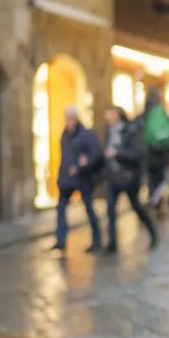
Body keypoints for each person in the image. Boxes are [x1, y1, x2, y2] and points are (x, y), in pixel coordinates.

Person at [103, 106, 157, 253]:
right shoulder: (109, 132)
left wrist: (117, 153)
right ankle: (112, 243)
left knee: (136, 206)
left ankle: (152, 232)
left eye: (111, 114)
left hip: (129, 177)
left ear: (118, 115)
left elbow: (137, 153)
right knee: (110, 209)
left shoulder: (131, 130)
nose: (107, 117)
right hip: (113, 177)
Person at [52, 105, 103, 253]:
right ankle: (61, 240)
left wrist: (84, 163)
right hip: (67, 179)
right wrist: (61, 177)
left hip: (83, 177)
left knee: (88, 207)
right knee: (61, 208)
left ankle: (97, 240)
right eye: (66, 118)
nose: (68, 121)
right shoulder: (64, 136)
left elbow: (96, 153)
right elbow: (64, 158)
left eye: (70, 118)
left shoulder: (86, 135)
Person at [143, 88, 169, 213]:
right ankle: (158, 204)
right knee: (161, 179)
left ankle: (153, 200)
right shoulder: (161, 111)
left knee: (152, 180)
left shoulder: (145, 114)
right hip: (162, 154)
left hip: (149, 154)